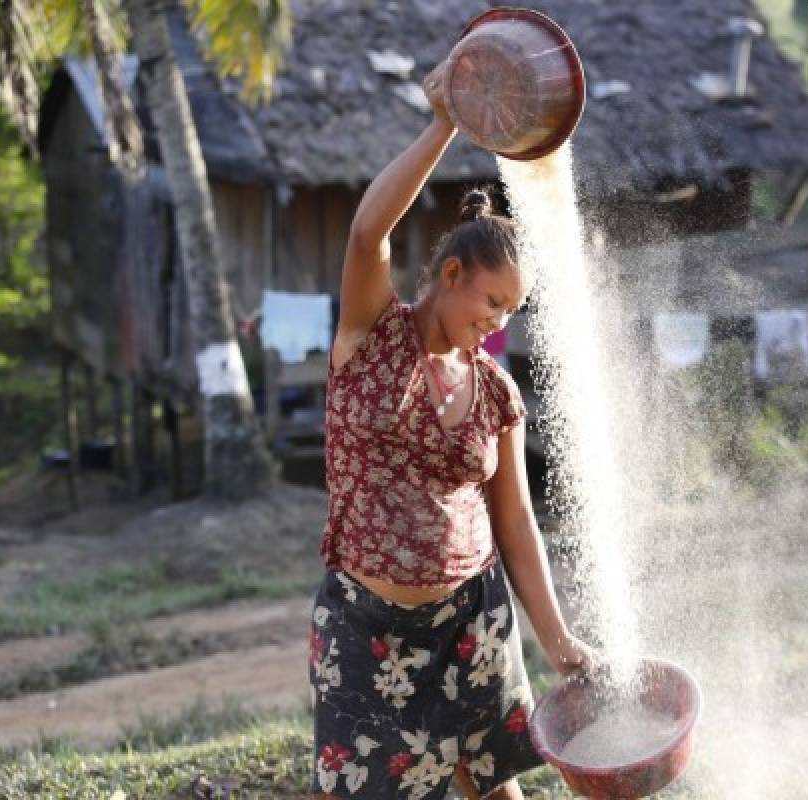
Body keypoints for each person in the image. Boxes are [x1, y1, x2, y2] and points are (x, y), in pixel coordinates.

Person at [309, 60, 593, 800]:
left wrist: (558, 640)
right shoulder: (370, 337)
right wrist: (445, 124)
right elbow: (369, 229)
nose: (497, 323)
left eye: (510, 313)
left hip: (472, 622)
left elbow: (517, 523)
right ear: (453, 272)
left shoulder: (495, 389)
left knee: (497, 790)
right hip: (367, 632)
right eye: (491, 301)